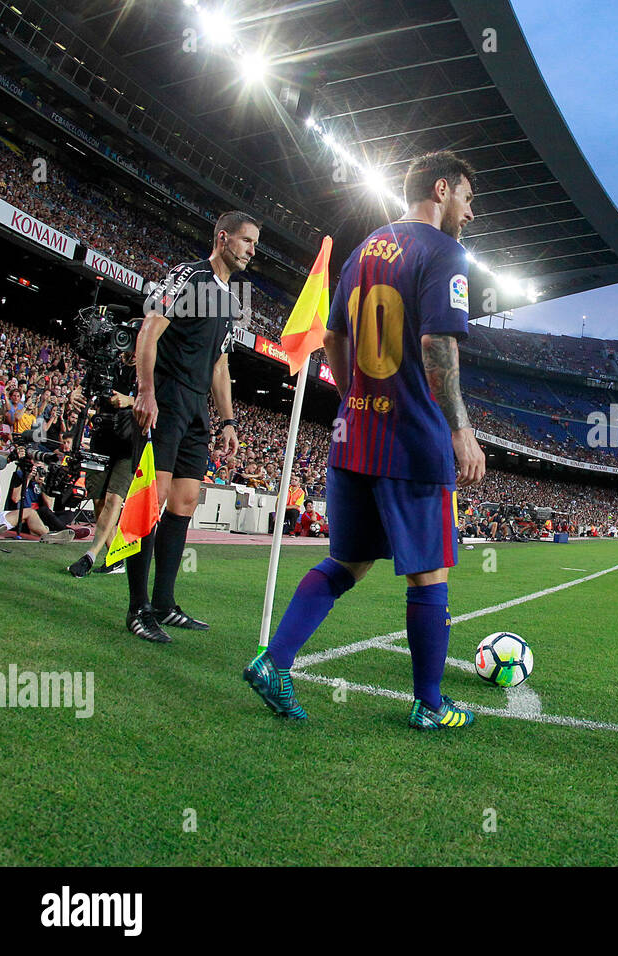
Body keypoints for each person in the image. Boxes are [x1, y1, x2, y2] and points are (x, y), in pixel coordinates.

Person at [244, 149, 484, 732]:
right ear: (442, 187)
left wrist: (356, 398)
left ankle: (274, 662)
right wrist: (460, 428)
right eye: (468, 199)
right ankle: (430, 703)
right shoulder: (445, 252)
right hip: (414, 439)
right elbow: (436, 347)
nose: (471, 215)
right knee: (430, 574)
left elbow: (332, 337)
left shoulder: (363, 249)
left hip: (355, 436)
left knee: (346, 561)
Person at [126, 211, 256, 642]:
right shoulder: (188, 276)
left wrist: (229, 420)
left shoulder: (231, 301)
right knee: (153, 502)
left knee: (184, 503)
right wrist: (145, 391)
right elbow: (150, 328)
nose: (252, 251)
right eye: (246, 241)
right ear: (223, 239)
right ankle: (137, 609)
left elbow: (220, 364)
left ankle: (164, 603)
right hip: (165, 398)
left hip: (198, 409)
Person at [67, 353, 139, 577]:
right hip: (102, 437)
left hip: (130, 443)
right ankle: (115, 559)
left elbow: (163, 403)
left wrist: (130, 401)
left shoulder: (151, 368)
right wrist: (75, 393)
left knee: (113, 499)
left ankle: (90, 554)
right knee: (98, 500)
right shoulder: (106, 364)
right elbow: (84, 387)